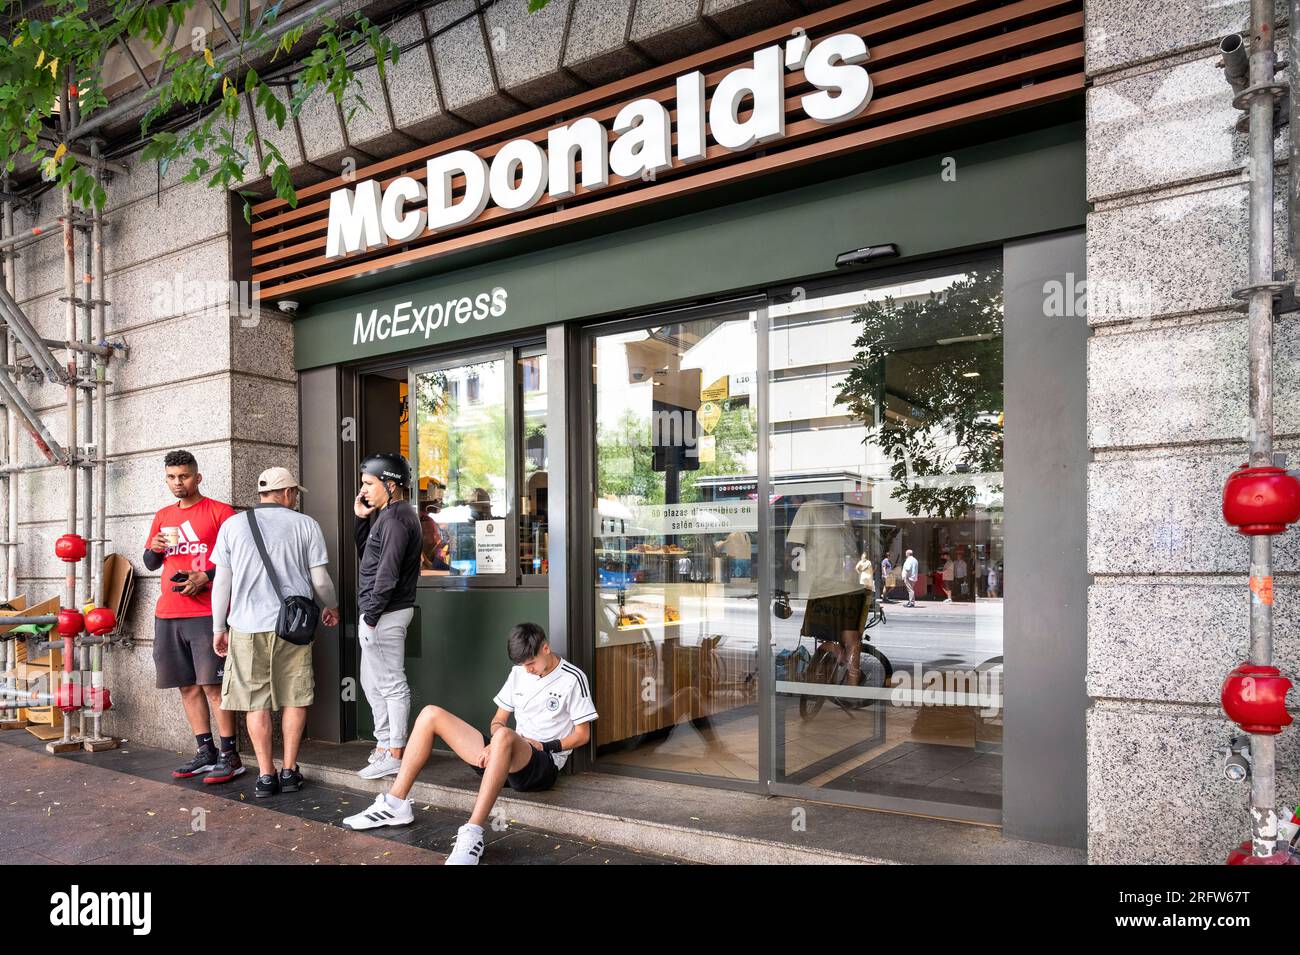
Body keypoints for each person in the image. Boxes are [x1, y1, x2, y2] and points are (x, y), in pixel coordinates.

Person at [342, 622, 597, 866]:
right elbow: (498, 720)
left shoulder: (572, 678)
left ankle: (472, 833)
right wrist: (496, 741)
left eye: (531, 663)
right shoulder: (518, 672)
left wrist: (543, 746)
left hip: (540, 765)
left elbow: (582, 735)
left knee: (507, 737)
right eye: (522, 665)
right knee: (431, 714)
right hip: (503, 754)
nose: (527, 669)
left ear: (546, 648)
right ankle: (395, 804)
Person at [209, 467, 340, 798]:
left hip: (247, 627)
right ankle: (288, 771)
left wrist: (218, 627)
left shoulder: (233, 526)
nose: (294, 498)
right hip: (293, 627)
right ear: (287, 493)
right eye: (294, 493)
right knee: (295, 697)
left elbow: (221, 582)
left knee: (256, 703)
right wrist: (331, 606)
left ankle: (265, 775)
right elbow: (320, 580)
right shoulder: (305, 525)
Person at [144, 450, 238, 783]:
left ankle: (230, 755)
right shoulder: (163, 515)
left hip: (207, 613)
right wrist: (154, 547)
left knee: (212, 685)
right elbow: (151, 564)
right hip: (169, 613)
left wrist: (206, 577)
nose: (177, 482)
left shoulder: (221, 513)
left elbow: (239, 560)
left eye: (183, 476)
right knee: (186, 687)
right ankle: (205, 750)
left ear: (197, 477)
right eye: (171, 477)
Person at [353, 452, 423, 780]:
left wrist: (371, 616)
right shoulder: (390, 515)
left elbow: (388, 574)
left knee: (392, 685)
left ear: (390, 484)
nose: (363, 489)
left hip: (384, 614)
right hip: (382, 613)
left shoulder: (396, 519)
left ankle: (394, 751)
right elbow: (369, 554)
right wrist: (361, 517)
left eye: (369, 483)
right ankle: (384, 745)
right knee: (371, 681)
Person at [786, 498, 865, 686]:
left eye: (791, 499)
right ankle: (853, 686)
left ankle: (841, 658)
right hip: (854, 586)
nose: (791, 503)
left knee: (819, 634)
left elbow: (793, 549)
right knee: (850, 636)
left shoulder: (807, 509)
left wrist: (784, 571)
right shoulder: (838, 510)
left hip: (826, 585)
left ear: (798, 497)